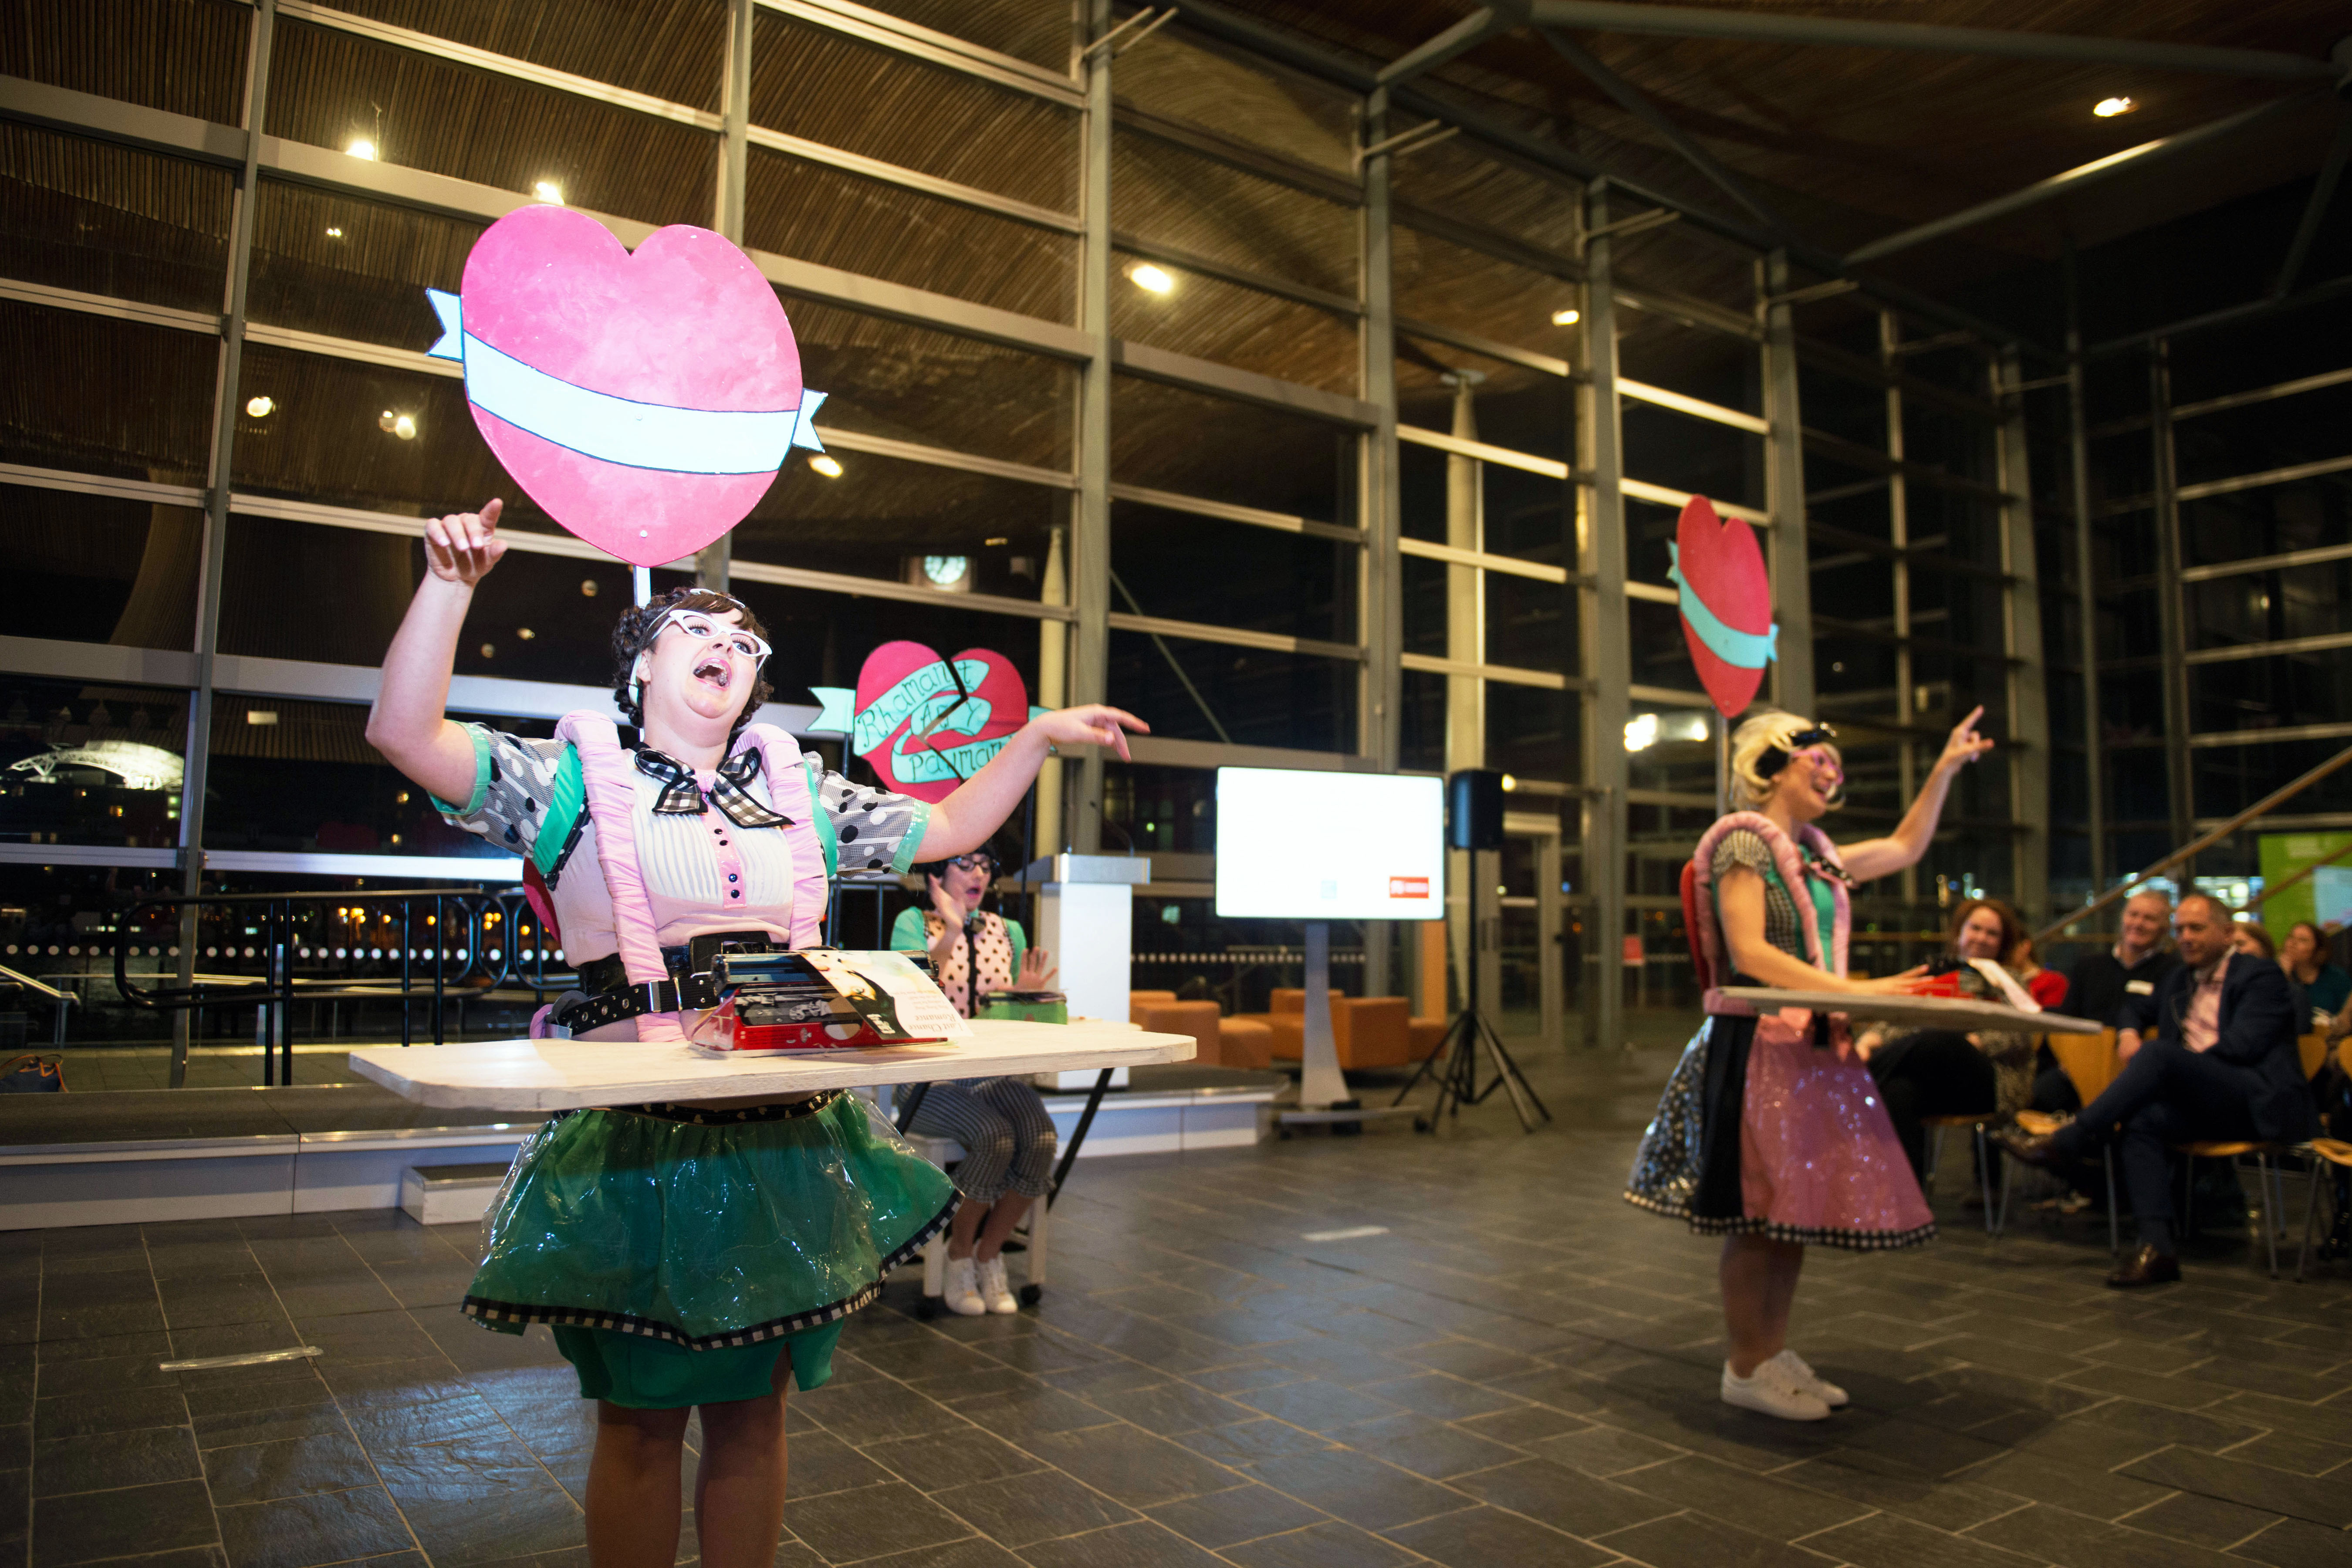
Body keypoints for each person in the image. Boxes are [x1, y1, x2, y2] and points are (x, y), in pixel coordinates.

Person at [365, 498, 1146, 1568]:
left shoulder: (803, 792)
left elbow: (952, 828)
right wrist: (451, 581)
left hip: (786, 1130)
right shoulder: (568, 780)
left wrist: (1035, 738)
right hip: (640, 1133)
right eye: (695, 633)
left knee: (756, 1411)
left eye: (745, 643)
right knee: (638, 1418)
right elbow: (404, 735)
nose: (723, 649)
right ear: (639, 666)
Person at [1627, 707, 1992, 1423]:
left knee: (1789, 1214)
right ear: (1772, 765)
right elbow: (1752, 953)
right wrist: (1863, 992)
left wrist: (1946, 767)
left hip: (1809, 1047)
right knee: (1759, 1214)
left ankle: (1770, 1350)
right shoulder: (1742, 843)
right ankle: (1744, 1364)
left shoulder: (1814, 853)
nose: (1832, 772)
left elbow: (1905, 846)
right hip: (1761, 1044)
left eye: (1835, 763)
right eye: (1816, 760)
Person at [1997, 893, 2317, 1288]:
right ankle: (2158, 1249)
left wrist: (2176, 1069)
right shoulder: (2178, 980)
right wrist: (2130, 1031)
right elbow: (2135, 1009)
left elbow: (2243, 1046)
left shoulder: (2259, 975)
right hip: (2203, 1100)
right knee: (2143, 1120)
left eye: (2197, 928)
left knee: (2161, 1057)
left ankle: (2071, 1140)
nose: (2186, 937)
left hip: (2253, 1098)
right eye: (2181, 929)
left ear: (2228, 932)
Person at [888, 849, 1062, 1317]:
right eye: (966, 864)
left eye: (987, 865)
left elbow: (1009, 1015)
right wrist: (951, 929)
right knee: (994, 1137)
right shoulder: (913, 922)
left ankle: (990, 1254)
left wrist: (1024, 997)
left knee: (1043, 1137)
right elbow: (907, 991)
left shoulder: (1009, 931)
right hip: (928, 1077)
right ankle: (959, 1254)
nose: (979, 874)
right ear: (938, 873)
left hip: (990, 1072)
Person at [1859, 896, 2039, 1182]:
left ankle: (1856, 1081)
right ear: (1959, 932)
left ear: (2003, 942)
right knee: (1899, 1091)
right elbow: (1896, 1018)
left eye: (1992, 933)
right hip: (1935, 1076)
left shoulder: (2010, 980)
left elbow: (2020, 1033)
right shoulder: (1936, 973)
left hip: (1990, 1080)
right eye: (1975, 928)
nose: (1981, 938)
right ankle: (1909, 1206)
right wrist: (1869, 1039)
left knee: (1939, 1040)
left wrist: (1974, 1043)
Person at [2280, 920, 2349, 1031]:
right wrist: (2284, 977)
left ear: (2317, 949)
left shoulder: (2336, 977)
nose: (2293, 943)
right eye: (2291, 937)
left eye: (2303, 940)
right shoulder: (2277, 976)